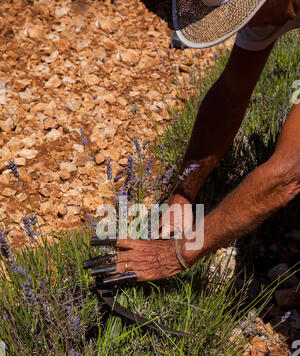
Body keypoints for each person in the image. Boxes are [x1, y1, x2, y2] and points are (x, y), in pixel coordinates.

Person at [96, 0, 300, 283]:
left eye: (235, 15)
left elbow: (287, 174)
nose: (233, 25)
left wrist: (173, 255)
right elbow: (230, 95)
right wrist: (183, 194)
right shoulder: (267, 12)